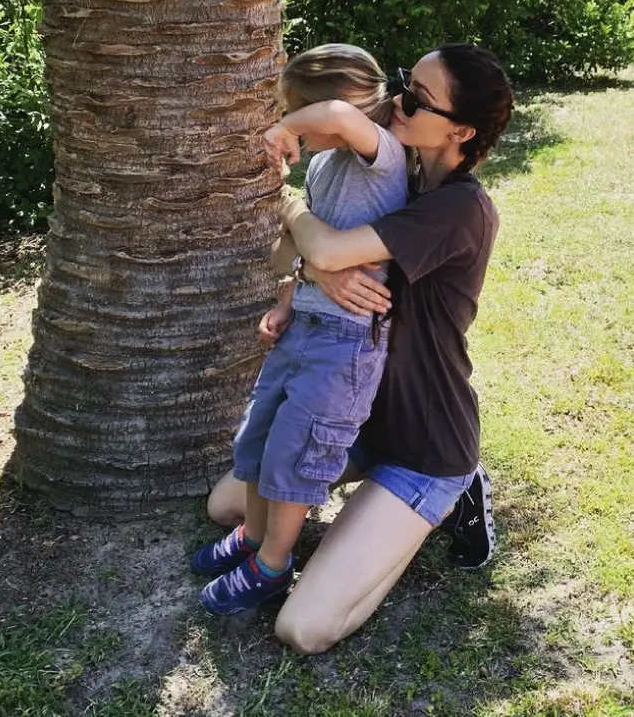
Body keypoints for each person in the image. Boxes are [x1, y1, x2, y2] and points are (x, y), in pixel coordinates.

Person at [202, 43, 513, 652]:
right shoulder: (390, 170)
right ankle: (365, 508)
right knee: (226, 505)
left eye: (419, 99)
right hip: (355, 412)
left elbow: (324, 248)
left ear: (461, 131)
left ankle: (448, 498)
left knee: (303, 627)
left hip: (423, 442)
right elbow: (303, 257)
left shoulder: (460, 209)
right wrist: (311, 270)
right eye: (402, 82)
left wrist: (293, 213)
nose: (398, 100)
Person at [191, 44, 409, 615]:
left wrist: (284, 128)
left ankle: (271, 565)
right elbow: (285, 250)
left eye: (294, 110)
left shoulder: (380, 156)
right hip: (303, 328)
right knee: (259, 437)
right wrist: (288, 297)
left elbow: (337, 116)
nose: (293, 124)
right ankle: (254, 535)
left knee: (297, 451)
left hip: (345, 344)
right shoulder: (322, 166)